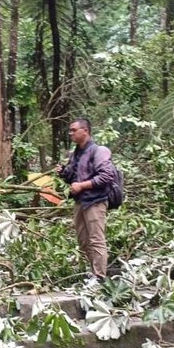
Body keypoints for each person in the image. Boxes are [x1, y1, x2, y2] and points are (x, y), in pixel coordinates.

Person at [56, 118, 114, 279]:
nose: (71, 133)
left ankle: (100, 277)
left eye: (74, 130)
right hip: (80, 202)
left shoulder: (99, 151)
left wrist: (82, 185)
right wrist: (63, 172)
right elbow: (72, 177)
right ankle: (93, 272)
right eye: (70, 130)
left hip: (95, 201)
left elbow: (107, 176)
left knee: (96, 239)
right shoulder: (76, 153)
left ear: (85, 131)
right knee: (83, 240)